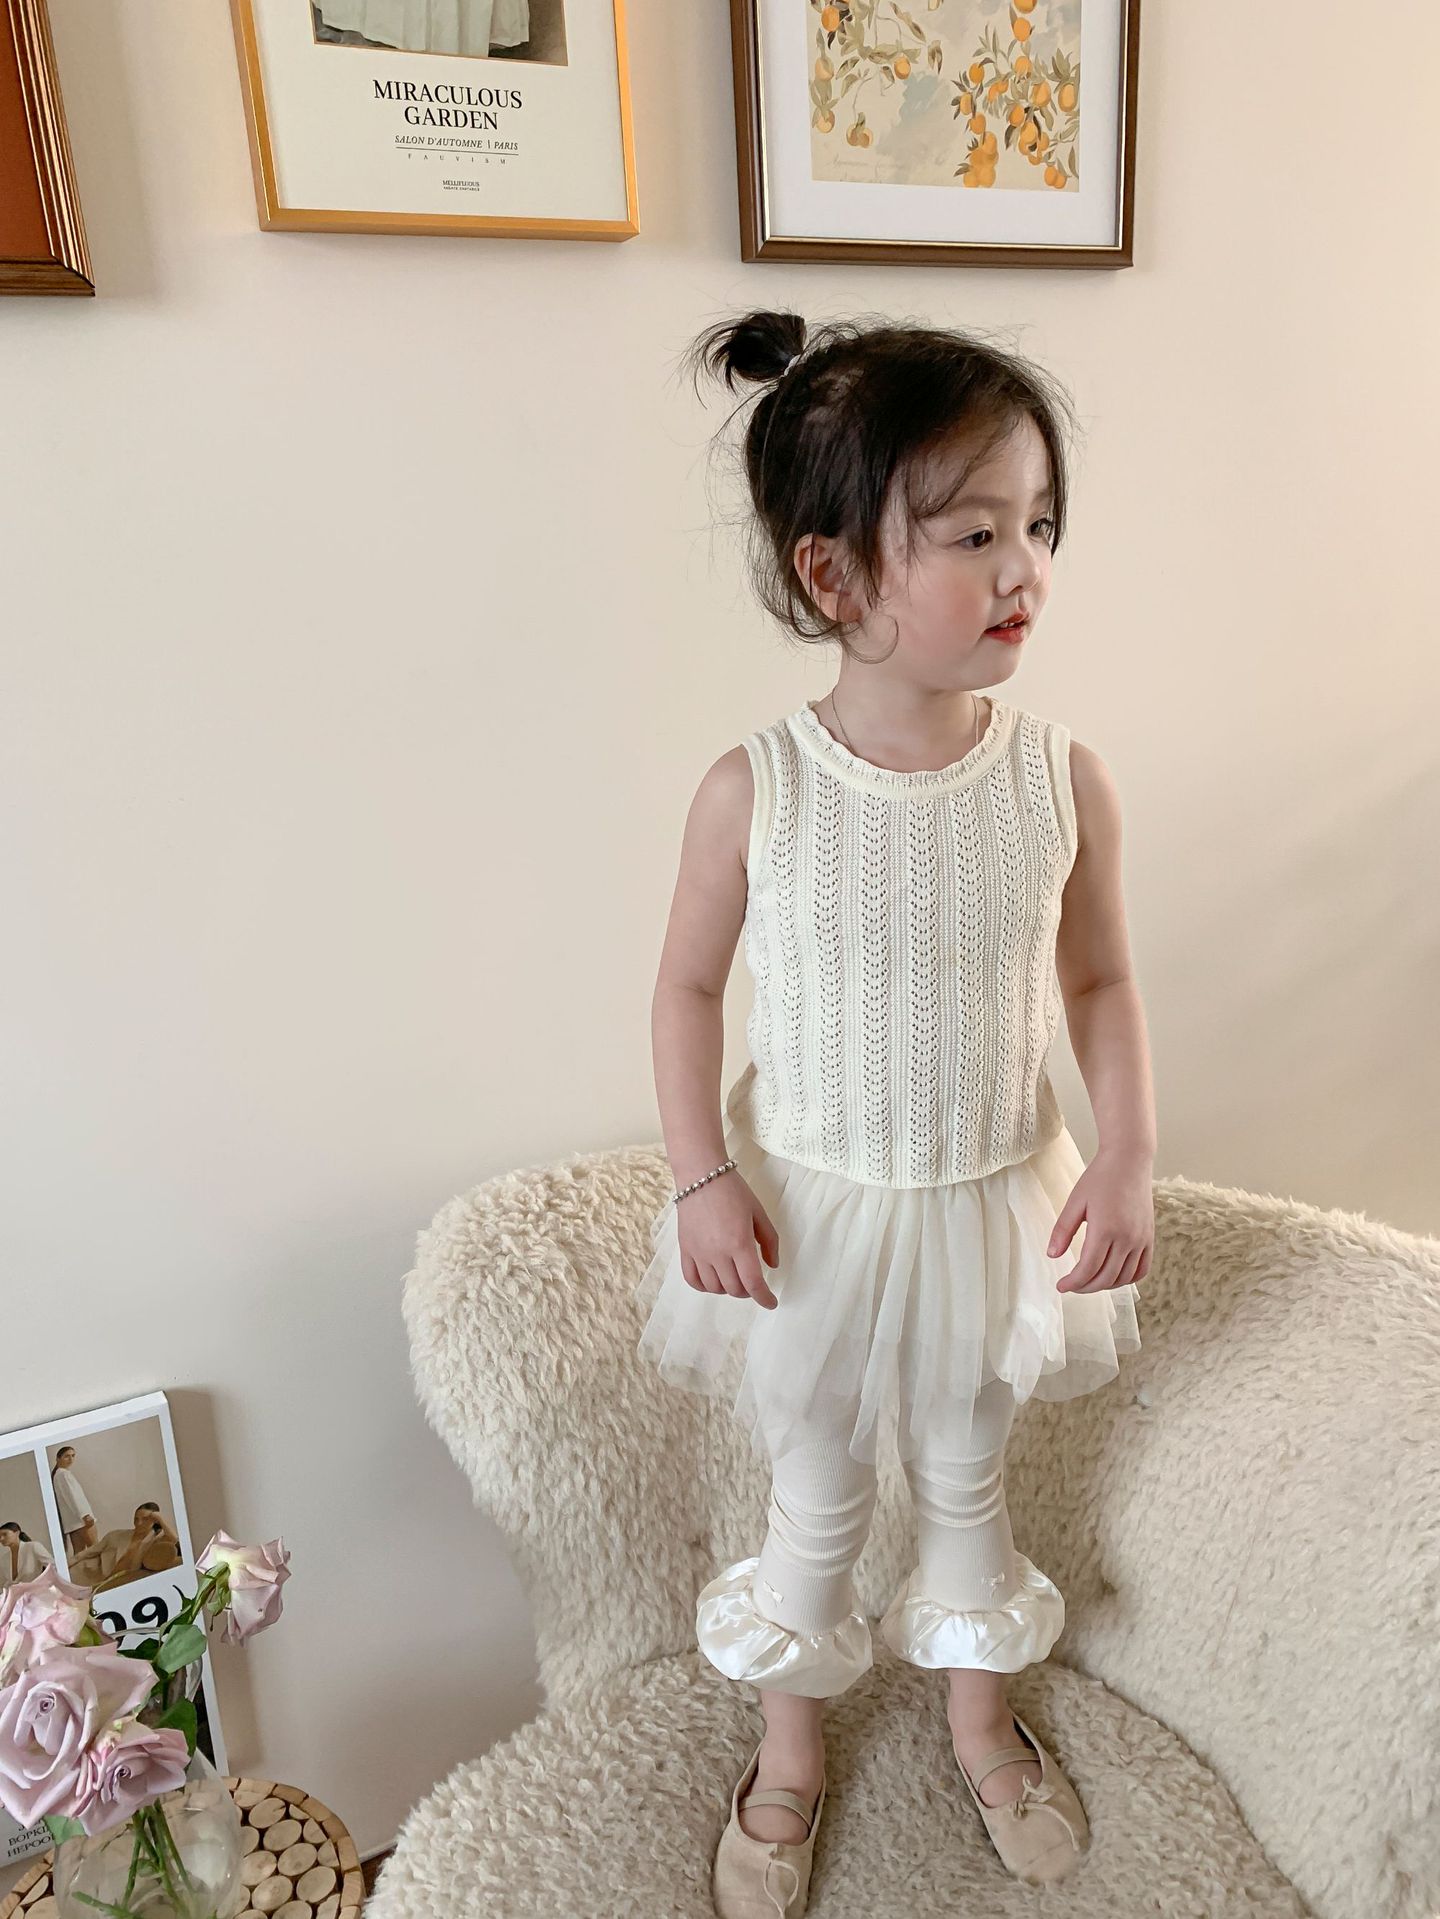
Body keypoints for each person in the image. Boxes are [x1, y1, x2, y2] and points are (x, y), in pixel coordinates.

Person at [633, 309, 1151, 1911]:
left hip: (992, 1201)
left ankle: (980, 1720)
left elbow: (1099, 979)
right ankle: (790, 1750)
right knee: (817, 1493)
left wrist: (1129, 1149)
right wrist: (701, 1175)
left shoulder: (1060, 777)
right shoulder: (758, 788)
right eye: (974, 533)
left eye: (1039, 525)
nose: (1024, 568)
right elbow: (686, 991)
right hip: (815, 1217)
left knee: (968, 1482)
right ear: (835, 575)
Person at [66, 1502, 182, 1590]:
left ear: (155, 1521)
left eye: (145, 1519)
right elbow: (86, 1553)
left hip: (115, 1582)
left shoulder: (155, 1541)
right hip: (87, 1573)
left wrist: (160, 1518)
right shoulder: (116, 1535)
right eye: (136, 1519)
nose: (139, 1523)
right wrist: (64, 1567)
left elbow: (175, 1540)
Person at [51, 1444, 98, 1555]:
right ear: (58, 1458)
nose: (71, 1459)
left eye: (73, 1456)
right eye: (67, 1456)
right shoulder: (63, 1475)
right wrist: (85, 1515)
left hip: (73, 1523)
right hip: (82, 1521)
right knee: (96, 1550)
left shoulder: (59, 1475)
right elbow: (72, 1497)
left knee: (79, 1554)